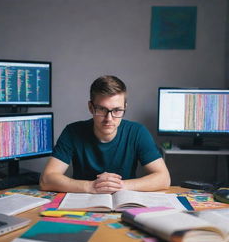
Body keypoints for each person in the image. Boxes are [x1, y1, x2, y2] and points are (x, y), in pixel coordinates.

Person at [40, 75, 170, 194]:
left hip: (125, 202)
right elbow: (46, 179)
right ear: (91, 107)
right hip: (83, 203)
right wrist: (90, 186)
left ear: (125, 107)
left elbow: (164, 178)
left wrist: (120, 185)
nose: (109, 118)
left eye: (117, 110)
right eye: (102, 109)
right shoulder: (72, 132)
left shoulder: (137, 132)